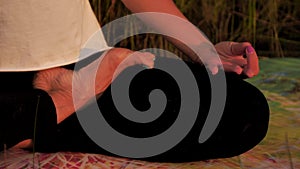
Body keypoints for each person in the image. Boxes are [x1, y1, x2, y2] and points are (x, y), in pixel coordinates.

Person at [0, 0, 269, 162]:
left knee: (242, 110)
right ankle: (56, 107)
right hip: (61, 84)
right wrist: (78, 93)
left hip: (86, 68)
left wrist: (203, 49)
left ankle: (27, 120)